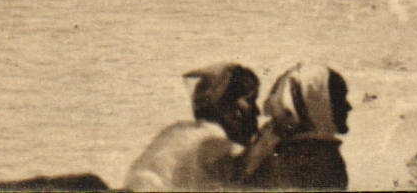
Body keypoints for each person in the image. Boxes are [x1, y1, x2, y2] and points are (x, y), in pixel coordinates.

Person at [122, 63, 260, 192]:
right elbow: (244, 167)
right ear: (229, 107)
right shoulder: (212, 139)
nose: (258, 111)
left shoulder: (178, 130)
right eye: (250, 100)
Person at [239, 64, 352, 191]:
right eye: (338, 99)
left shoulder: (270, 140)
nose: (348, 107)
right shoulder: (318, 159)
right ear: (314, 101)